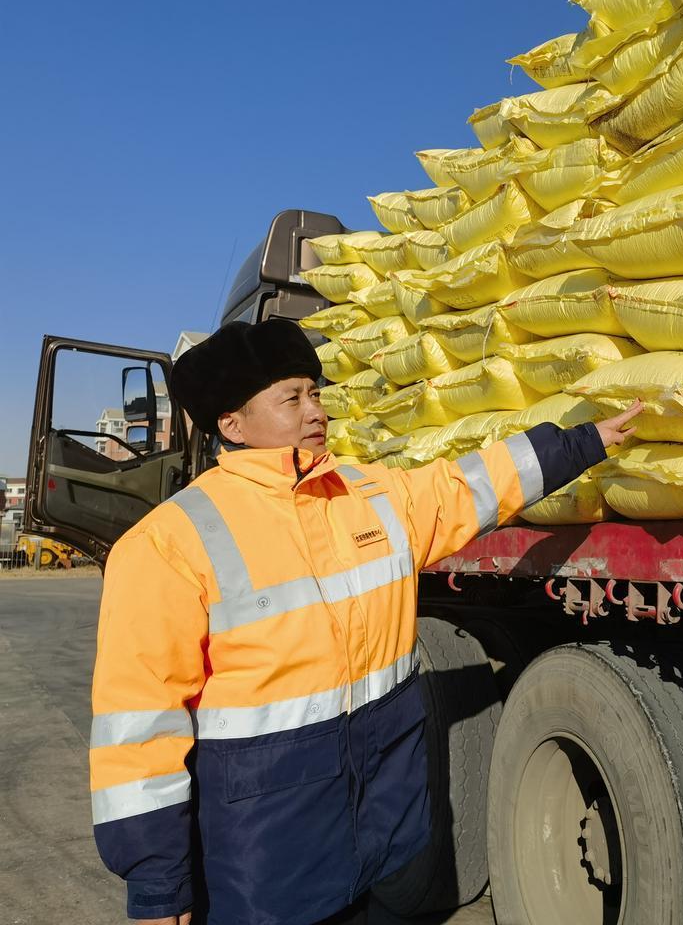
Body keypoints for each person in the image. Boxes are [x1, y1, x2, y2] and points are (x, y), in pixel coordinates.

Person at [88, 319, 641, 925]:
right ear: (232, 425)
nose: (315, 411)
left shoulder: (369, 496)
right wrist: (158, 886)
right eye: (291, 398)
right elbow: (140, 726)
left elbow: (471, 486)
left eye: (315, 392)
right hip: (265, 859)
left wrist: (585, 442)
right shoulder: (169, 542)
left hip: (370, 838)